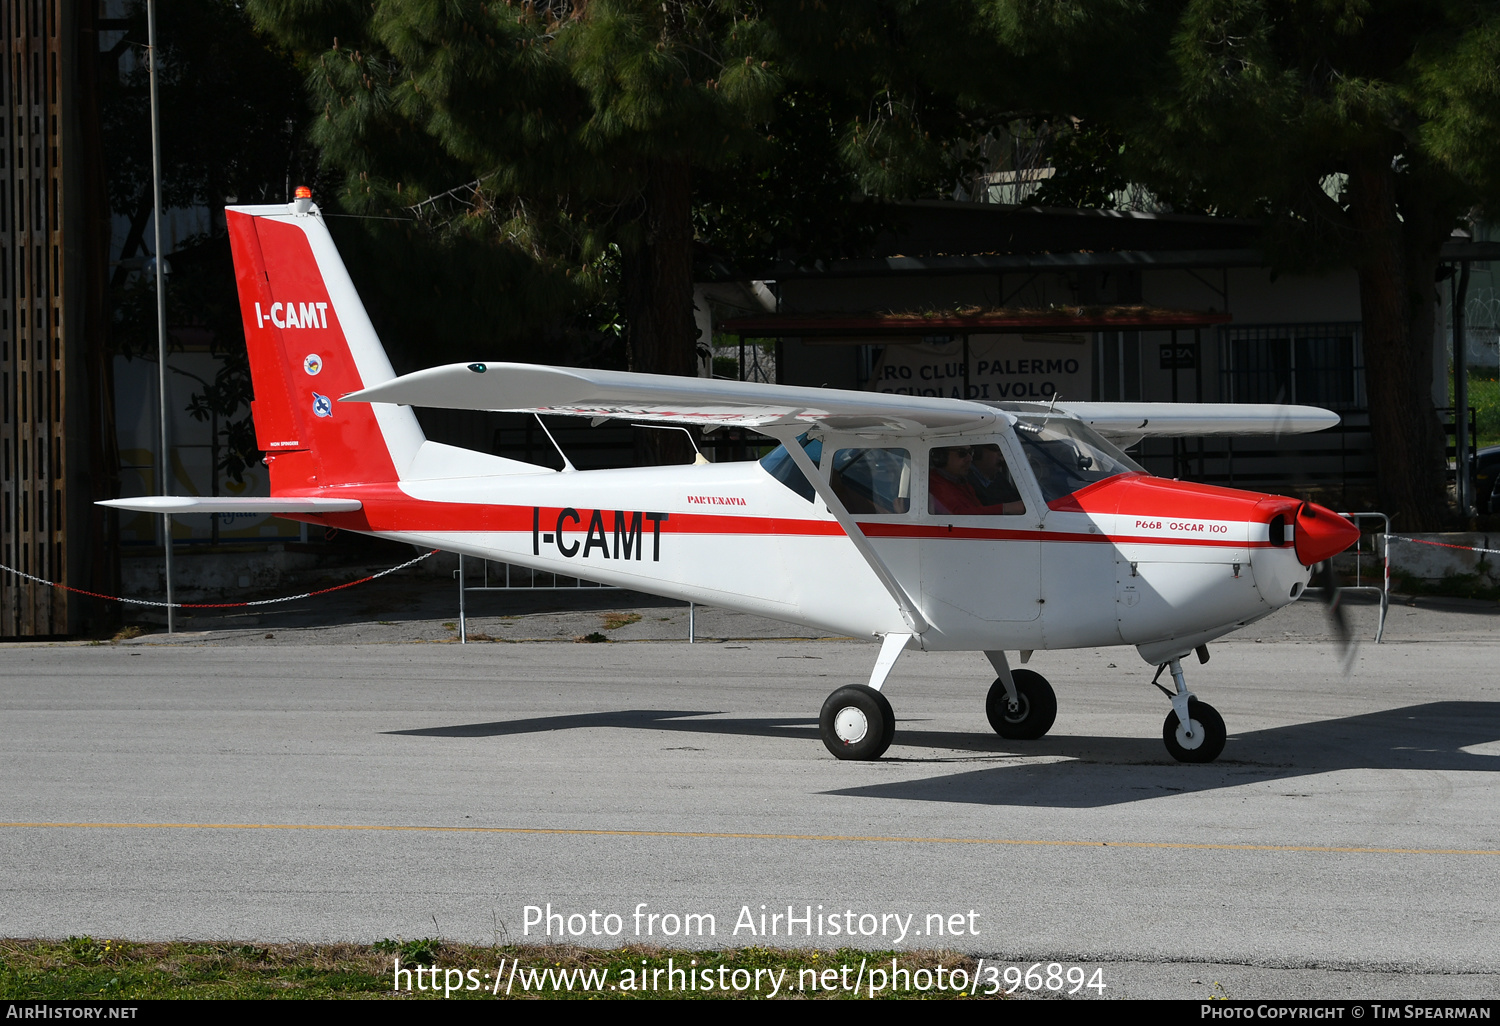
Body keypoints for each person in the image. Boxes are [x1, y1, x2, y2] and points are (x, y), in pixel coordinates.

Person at [927, 446, 1024, 515]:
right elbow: (958, 515)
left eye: (970, 452)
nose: (970, 458)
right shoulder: (934, 484)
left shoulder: (961, 482)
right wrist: (1006, 509)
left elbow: (977, 509)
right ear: (941, 457)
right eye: (962, 453)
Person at [969, 443, 1024, 511]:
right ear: (978, 452)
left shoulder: (999, 478)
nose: (1002, 458)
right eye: (996, 449)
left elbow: (1014, 498)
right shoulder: (964, 480)